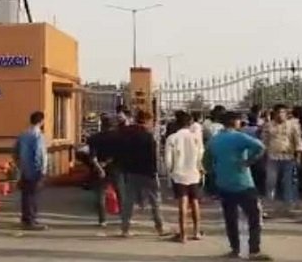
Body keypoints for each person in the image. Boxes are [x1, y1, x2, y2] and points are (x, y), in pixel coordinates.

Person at [207, 111, 270, 261]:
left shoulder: (214, 140)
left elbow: (206, 162)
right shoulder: (239, 137)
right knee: (254, 216)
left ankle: (235, 249)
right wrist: (249, 161)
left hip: (224, 183)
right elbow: (260, 146)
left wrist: (216, 172)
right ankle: (254, 250)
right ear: (235, 121)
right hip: (243, 182)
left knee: (230, 218)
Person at [115, 109, 164, 237]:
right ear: (147, 121)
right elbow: (152, 157)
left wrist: (125, 168)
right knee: (155, 201)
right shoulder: (148, 137)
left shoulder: (127, 134)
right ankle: (159, 227)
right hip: (147, 172)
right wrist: (154, 172)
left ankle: (125, 229)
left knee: (128, 201)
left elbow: (122, 153)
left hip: (131, 171)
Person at [165, 110, 205, 242]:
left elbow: (168, 160)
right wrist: (200, 168)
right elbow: (201, 154)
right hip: (194, 173)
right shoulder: (196, 137)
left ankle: (183, 235)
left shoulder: (172, 138)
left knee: (183, 202)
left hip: (179, 174)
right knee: (195, 202)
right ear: (190, 123)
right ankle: (197, 232)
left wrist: (170, 172)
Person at [260, 103, 302, 217]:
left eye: (283, 112)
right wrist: (263, 157)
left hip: (288, 157)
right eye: (278, 112)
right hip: (272, 157)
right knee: (270, 182)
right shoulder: (268, 126)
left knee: (288, 183)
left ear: (286, 114)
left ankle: (289, 207)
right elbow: (264, 142)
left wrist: (298, 157)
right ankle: (269, 207)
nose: (280, 115)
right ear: (274, 113)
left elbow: (298, 141)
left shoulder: (293, 125)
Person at [14, 111, 48, 231]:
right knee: (33, 195)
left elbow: (15, 151)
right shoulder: (38, 135)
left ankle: (26, 218)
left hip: (24, 168)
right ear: (41, 121)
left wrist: (19, 165)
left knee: (26, 195)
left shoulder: (23, 134)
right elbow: (40, 153)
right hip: (35, 168)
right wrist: (43, 169)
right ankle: (31, 220)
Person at [86, 115, 119, 227]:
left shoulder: (94, 138)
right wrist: (107, 162)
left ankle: (102, 220)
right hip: (115, 168)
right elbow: (118, 154)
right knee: (121, 193)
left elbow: (92, 157)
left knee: (100, 195)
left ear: (102, 125)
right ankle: (125, 217)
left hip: (98, 168)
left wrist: (100, 167)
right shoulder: (117, 138)